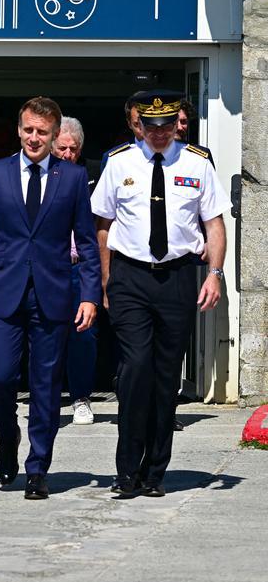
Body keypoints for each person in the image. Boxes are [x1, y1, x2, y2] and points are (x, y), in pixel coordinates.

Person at [0, 96, 100, 500]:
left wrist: (89, 295)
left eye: (42, 132)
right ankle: (8, 436)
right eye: (28, 130)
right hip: (2, 294)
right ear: (19, 130)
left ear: (55, 137)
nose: (34, 138)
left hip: (53, 296)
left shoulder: (70, 179)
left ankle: (38, 466)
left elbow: (87, 244)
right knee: (0, 376)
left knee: (46, 386)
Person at [93, 90, 230, 498]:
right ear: (140, 125)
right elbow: (102, 224)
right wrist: (105, 279)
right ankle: (125, 471)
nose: (158, 133)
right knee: (135, 369)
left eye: (166, 126)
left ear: (176, 125)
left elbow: (215, 225)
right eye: (151, 126)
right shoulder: (119, 162)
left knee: (166, 376)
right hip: (131, 277)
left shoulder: (197, 163)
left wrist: (215, 274)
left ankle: (155, 472)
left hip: (177, 278)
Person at [52, 117, 99, 425]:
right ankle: (49, 396)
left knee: (84, 334)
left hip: (81, 266)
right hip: (51, 268)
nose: (67, 154)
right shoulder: (40, 175)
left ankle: (81, 397)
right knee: (48, 334)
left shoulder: (93, 174)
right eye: (62, 148)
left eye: (73, 149)